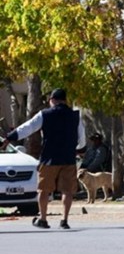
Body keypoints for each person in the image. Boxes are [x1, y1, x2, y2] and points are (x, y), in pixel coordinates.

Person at [0, 88, 85, 229]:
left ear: (52, 100)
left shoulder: (45, 114)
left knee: (43, 190)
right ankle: (64, 221)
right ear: (65, 100)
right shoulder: (75, 115)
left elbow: (28, 127)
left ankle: (43, 219)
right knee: (67, 191)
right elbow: (81, 137)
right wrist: (79, 150)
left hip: (49, 158)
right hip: (68, 158)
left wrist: (10, 137)